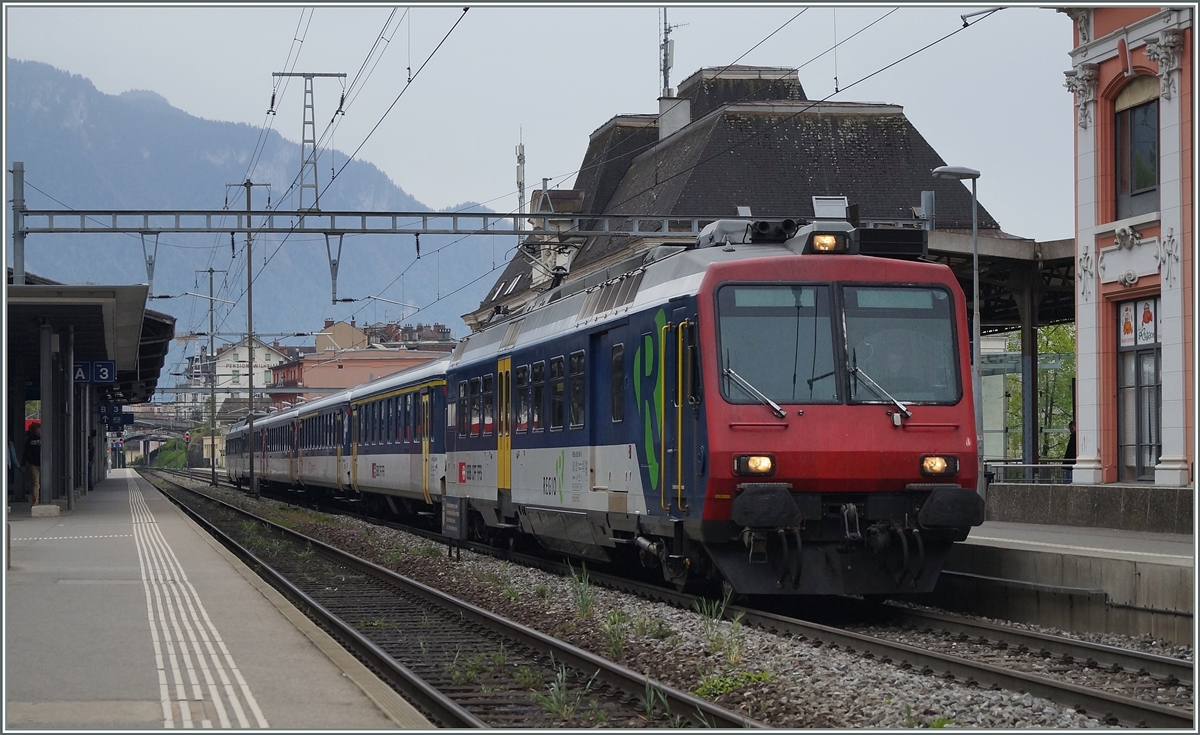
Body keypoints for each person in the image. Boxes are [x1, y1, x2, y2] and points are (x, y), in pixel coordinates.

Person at [21, 422, 42, 506]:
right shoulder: (30, 439)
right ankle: (36, 499)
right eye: (35, 429)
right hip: (33, 463)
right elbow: (26, 452)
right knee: (36, 482)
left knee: (37, 482)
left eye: (38, 428)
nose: (37, 430)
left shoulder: (45, 438)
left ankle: (39, 498)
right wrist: (23, 464)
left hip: (41, 462)